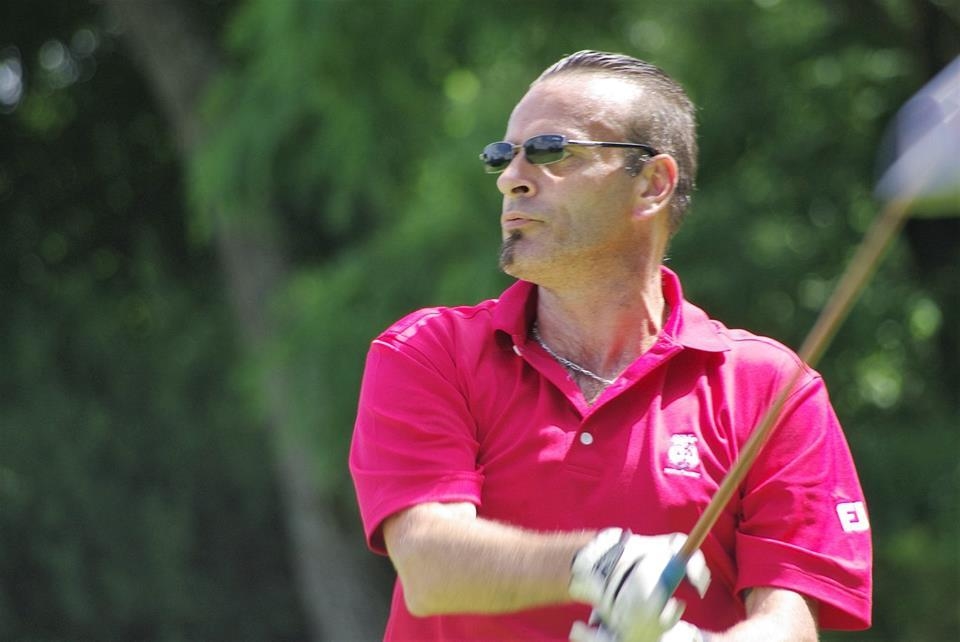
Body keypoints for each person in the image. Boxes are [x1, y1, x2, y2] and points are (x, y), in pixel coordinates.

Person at [350, 50, 872, 641]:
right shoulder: (428, 350)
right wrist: (598, 565)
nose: (510, 177)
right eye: (503, 155)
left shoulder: (771, 386)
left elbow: (789, 621)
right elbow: (429, 562)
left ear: (652, 184)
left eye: (551, 151)